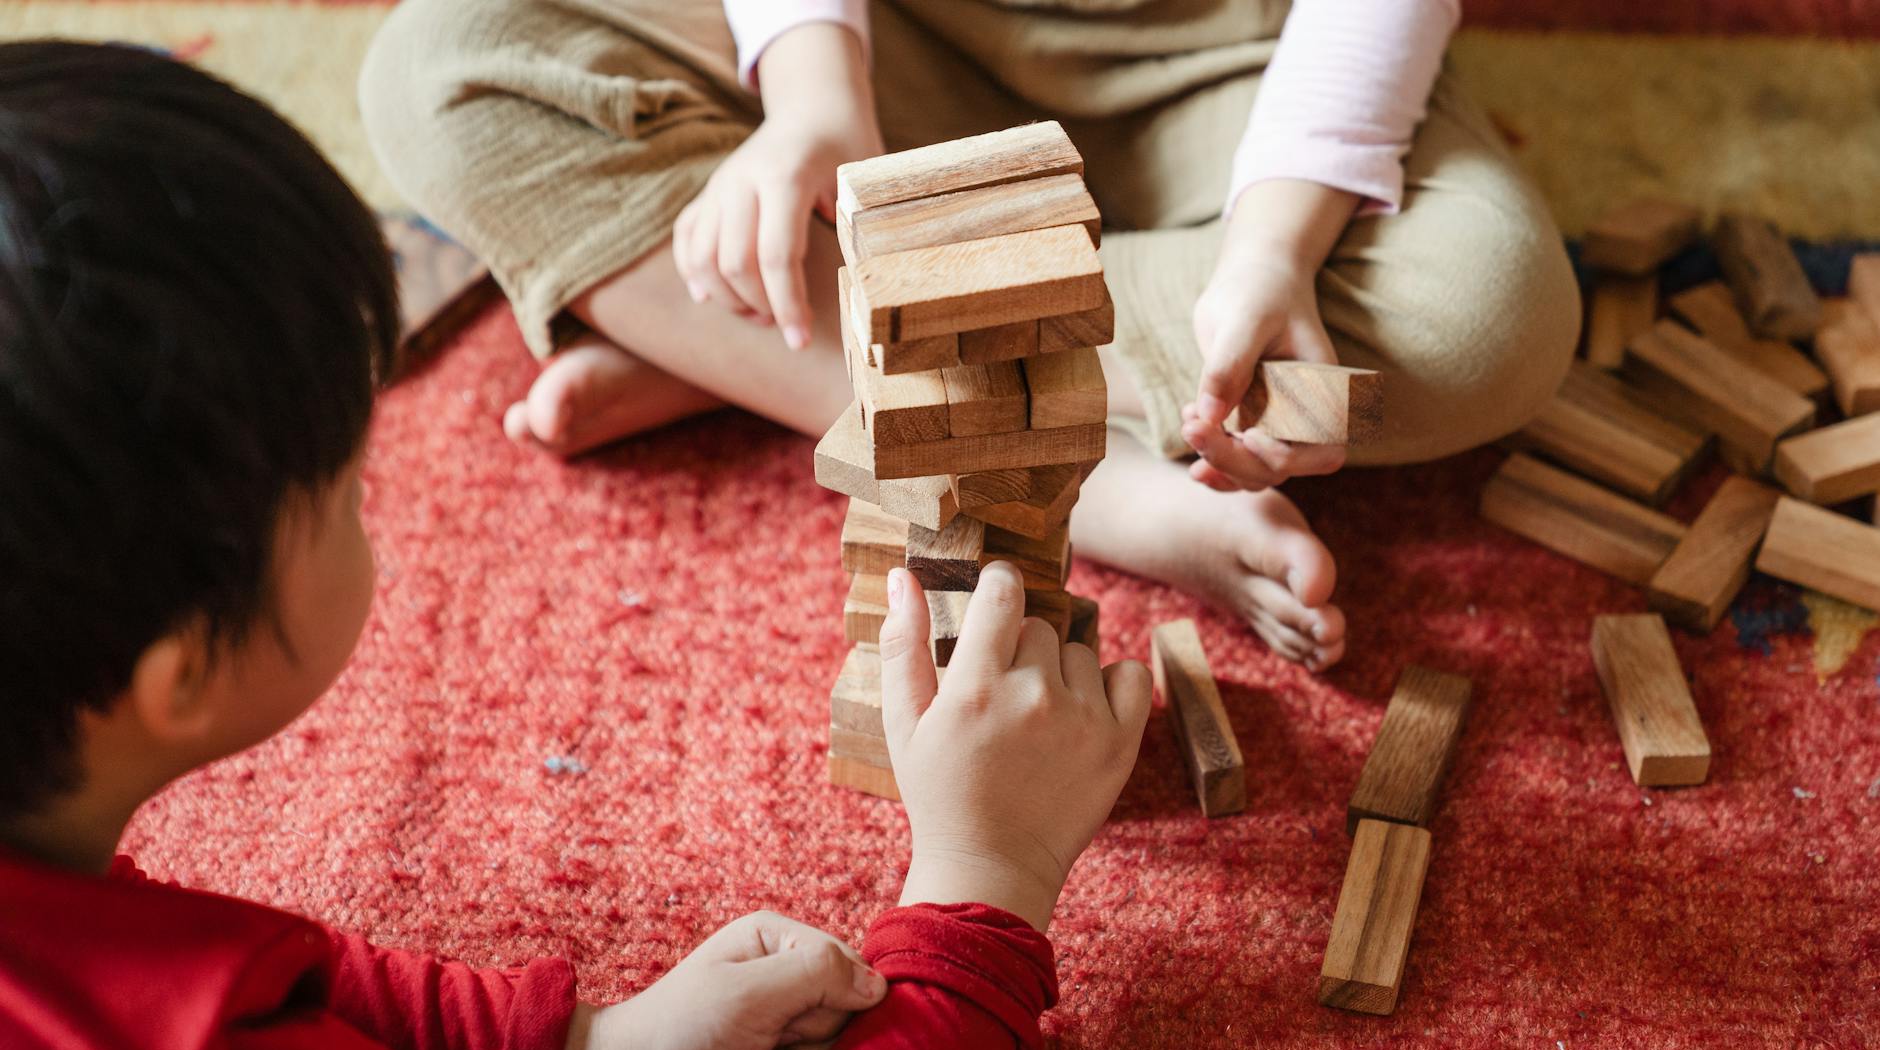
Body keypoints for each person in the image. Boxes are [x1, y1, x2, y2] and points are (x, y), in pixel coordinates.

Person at [0, 43, 1149, 1050]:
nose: (380, 497)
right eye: (349, 485)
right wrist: (983, 881)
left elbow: (186, 960)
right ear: (180, 670)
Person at [359, 0, 1580, 674]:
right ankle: (1085, 480)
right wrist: (814, 96)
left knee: (1477, 319)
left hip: (1242, 63)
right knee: (442, 63)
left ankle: (740, 332)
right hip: (884, 42)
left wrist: (1273, 251)